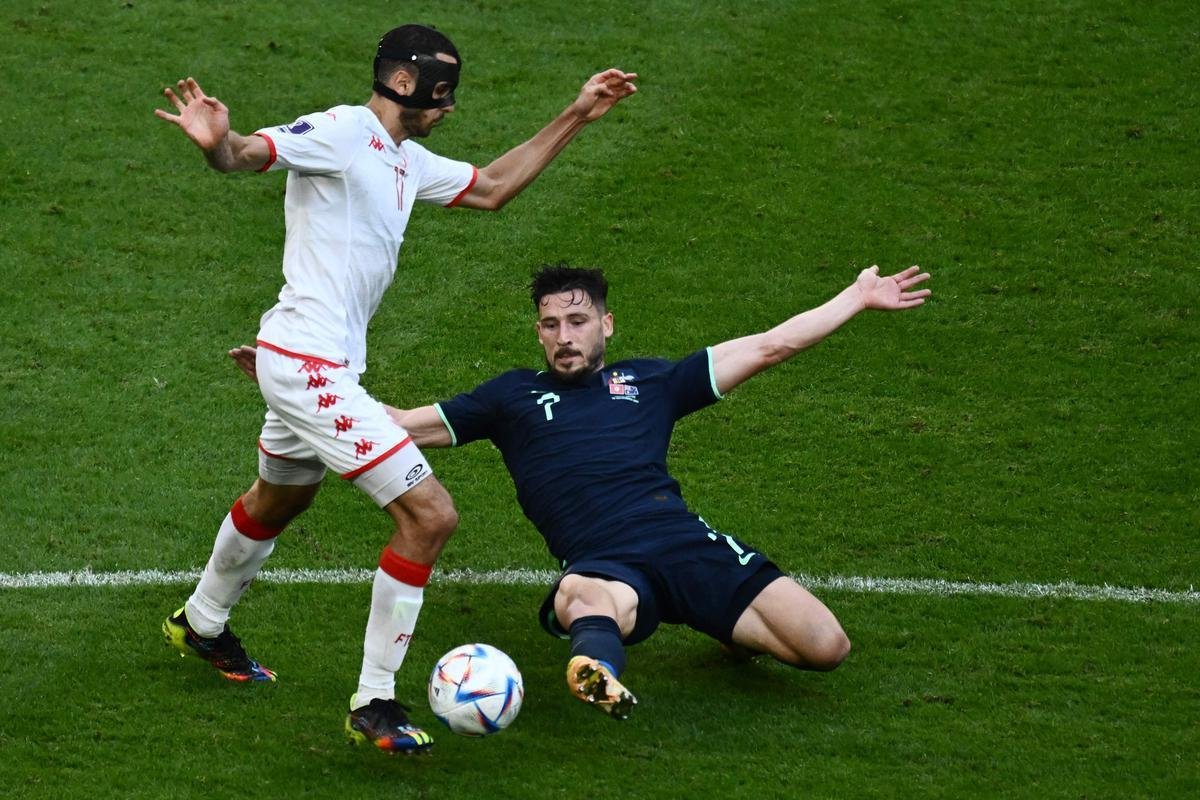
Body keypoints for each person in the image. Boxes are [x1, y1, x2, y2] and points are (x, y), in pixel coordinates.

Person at [154, 24, 636, 753]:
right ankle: (373, 702)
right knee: (431, 516)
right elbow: (247, 154)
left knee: (280, 497)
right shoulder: (343, 131)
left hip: (319, 366)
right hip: (306, 363)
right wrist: (217, 142)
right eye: (442, 94)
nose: (450, 108)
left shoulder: (404, 159)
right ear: (404, 84)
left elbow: (495, 188)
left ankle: (200, 621)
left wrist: (576, 113)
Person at [233, 262, 932, 719]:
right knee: (583, 598)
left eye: (576, 322)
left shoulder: (651, 383)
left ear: (605, 324)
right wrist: (291, 384)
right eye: (549, 325)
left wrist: (858, 296)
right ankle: (596, 671)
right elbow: (393, 425)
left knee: (825, 647)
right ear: (537, 332)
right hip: (604, 562)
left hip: (684, 541)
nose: (563, 337)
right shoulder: (510, 398)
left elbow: (771, 344)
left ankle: (722, 626)